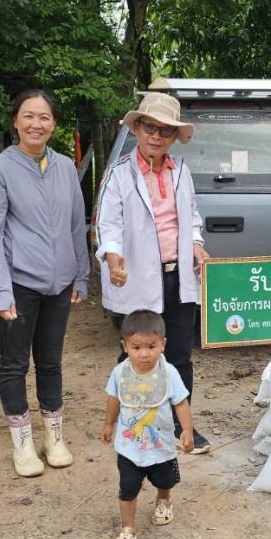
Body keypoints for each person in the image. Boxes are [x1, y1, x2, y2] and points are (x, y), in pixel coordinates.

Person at [0, 88, 88, 477]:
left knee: (51, 362)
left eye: (44, 117)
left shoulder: (64, 168)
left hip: (59, 284)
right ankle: (22, 445)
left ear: (53, 124)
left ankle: (53, 437)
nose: (36, 124)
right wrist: (2, 291)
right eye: (28, 116)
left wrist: (81, 273)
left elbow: (77, 223)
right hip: (17, 285)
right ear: (15, 121)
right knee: (13, 364)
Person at [96, 92, 211, 454]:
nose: (156, 136)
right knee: (136, 351)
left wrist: (195, 242)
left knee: (178, 355)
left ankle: (182, 426)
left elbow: (190, 217)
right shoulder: (118, 174)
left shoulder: (182, 172)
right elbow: (107, 224)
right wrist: (112, 256)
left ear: (174, 137)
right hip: (137, 275)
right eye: (150, 128)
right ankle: (129, 422)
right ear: (137, 129)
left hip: (177, 276)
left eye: (165, 130)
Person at [101, 310, 194, 539]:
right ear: (125, 347)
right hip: (129, 447)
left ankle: (164, 498)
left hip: (160, 445)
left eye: (151, 346)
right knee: (127, 487)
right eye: (136, 347)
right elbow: (114, 399)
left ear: (163, 344)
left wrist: (186, 430)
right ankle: (128, 528)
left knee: (165, 480)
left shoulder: (169, 373)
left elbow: (181, 403)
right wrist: (109, 424)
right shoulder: (121, 373)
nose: (144, 354)